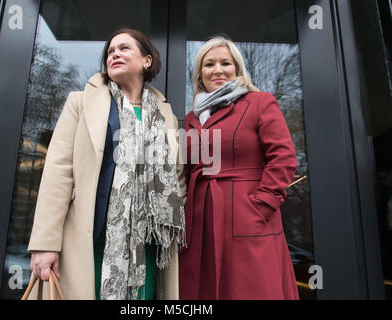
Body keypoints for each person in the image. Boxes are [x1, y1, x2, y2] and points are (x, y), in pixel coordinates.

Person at [27, 29, 186, 300]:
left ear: (147, 61)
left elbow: (177, 174)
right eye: (111, 51)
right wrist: (45, 244)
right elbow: (58, 173)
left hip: (147, 245)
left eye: (124, 48)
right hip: (92, 241)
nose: (115, 54)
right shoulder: (80, 103)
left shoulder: (165, 115)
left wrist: (165, 218)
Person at [179, 36, 299, 300]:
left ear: (237, 69)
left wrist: (263, 203)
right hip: (200, 223)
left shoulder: (259, 102)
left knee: (251, 289)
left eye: (226, 63)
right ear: (200, 73)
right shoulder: (191, 118)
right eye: (209, 64)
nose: (218, 70)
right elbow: (186, 170)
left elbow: (284, 157)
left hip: (248, 217)